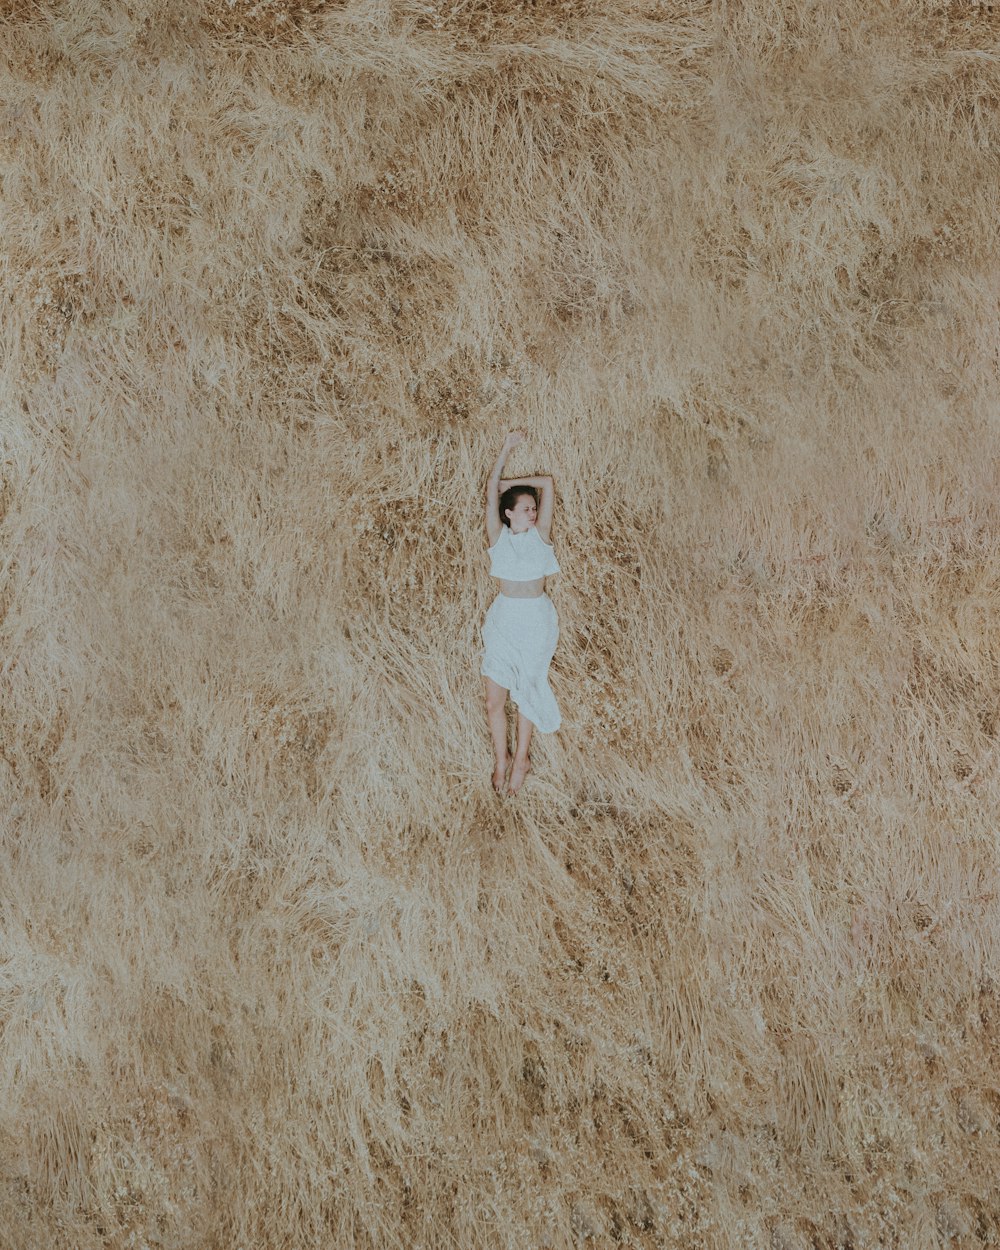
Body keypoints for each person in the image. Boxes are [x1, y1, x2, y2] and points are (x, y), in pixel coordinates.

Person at [481, 429, 562, 797]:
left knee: (528, 690)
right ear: (509, 513)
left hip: (535, 620)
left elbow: (546, 483)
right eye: (525, 508)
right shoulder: (498, 537)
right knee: (493, 700)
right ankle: (501, 759)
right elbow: (490, 490)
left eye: (534, 507)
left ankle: (522, 759)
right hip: (504, 620)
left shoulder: (540, 534)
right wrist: (504, 453)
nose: (532, 512)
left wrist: (513, 482)